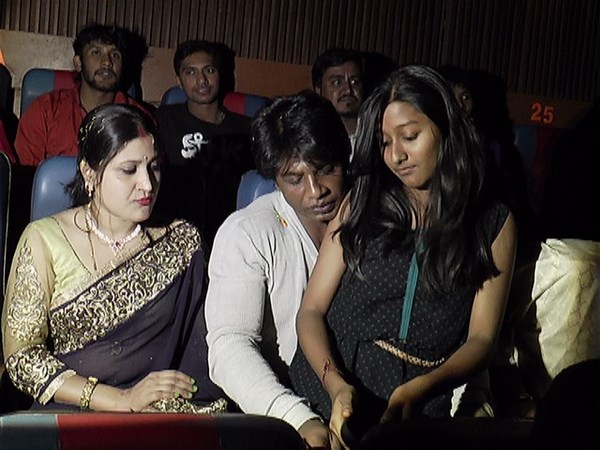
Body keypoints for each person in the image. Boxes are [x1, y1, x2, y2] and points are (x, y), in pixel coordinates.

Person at [289, 65, 517, 447]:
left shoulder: (491, 222)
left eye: (410, 136)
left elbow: (481, 339)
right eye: (384, 142)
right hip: (331, 392)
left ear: (445, 128)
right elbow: (310, 311)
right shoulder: (362, 203)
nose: (396, 155)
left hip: (421, 404)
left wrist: (424, 387)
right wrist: (335, 385)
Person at [1, 103, 226, 413]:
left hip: (159, 413)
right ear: (89, 173)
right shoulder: (44, 240)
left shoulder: (181, 243)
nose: (147, 185)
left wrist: (152, 407)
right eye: (129, 170)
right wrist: (120, 400)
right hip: (69, 411)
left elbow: (202, 355)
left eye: (154, 167)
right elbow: (22, 358)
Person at [204, 91, 351, 449]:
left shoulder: (375, 218)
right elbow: (229, 346)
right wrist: (296, 417)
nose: (316, 191)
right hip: (286, 411)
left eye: (325, 169)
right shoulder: (247, 233)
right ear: (274, 178)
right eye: (295, 179)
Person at [154, 39, 254, 250]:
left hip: (232, 231)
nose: (202, 80)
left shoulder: (246, 128)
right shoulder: (163, 120)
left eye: (209, 70)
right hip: (177, 229)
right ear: (179, 81)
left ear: (220, 75)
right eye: (191, 72)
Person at [14, 23, 151, 167]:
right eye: (96, 53)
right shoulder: (45, 110)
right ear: (79, 63)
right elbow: (25, 174)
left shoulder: (140, 119)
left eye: (115, 55)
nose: (107, 62)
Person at [312, 48, 366, 151]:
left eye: (354, 82)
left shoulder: (378, 135)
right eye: (337, 82)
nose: (348, 90)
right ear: (318, 89)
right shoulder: (309, 135)